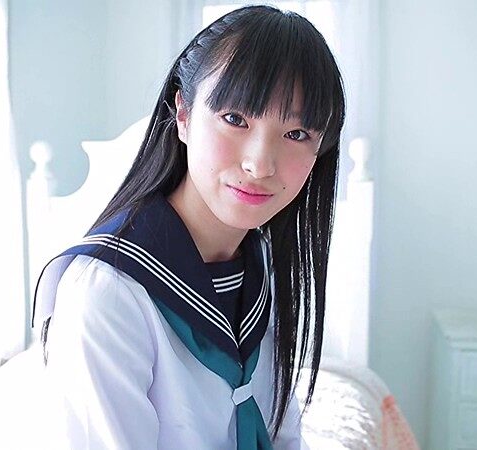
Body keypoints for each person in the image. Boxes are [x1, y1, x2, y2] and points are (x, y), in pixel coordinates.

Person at [31, 4, 345, 449]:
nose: (259, 164)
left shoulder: (263, 264)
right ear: (183, 113)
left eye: (296, 135)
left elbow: (283, 433)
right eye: (235, 119)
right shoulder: (109, 292)